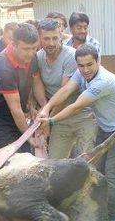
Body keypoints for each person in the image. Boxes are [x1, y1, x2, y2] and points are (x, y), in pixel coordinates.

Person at [37, 44, 115, 221]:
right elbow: (66, 91)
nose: (85, 70)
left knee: (112, 174)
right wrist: (46, 108)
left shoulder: (103, 81)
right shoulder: (81, 73)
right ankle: (98, 209)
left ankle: (112, 217)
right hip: (105, 128)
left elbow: (76, 106)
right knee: (96, 171)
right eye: (81, 66)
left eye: (90, 65)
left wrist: (51, 121)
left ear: (98, 61)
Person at [33, 18, 96, 158]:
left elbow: (64, 93)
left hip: (81, 115)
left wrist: (48, 119)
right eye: (46, 38)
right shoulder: (37, 57)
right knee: (55, 163)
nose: (51, 43)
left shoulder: (71, 56)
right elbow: (36, 84)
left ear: (61, 35)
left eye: (55, 38)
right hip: (58, 117)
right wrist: (43, 109)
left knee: (84, 162)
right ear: (39, 38)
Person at [0, 23, 46, 153]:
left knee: (26, 153)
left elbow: (36, 82)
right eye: (26, 49)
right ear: (13, 44)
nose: (31, 53)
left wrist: (44, 107)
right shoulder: (3, 68)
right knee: (12, 155)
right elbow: (15, 109)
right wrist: (28, 137)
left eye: (34, 48)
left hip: (16, 112)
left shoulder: (33, 57)